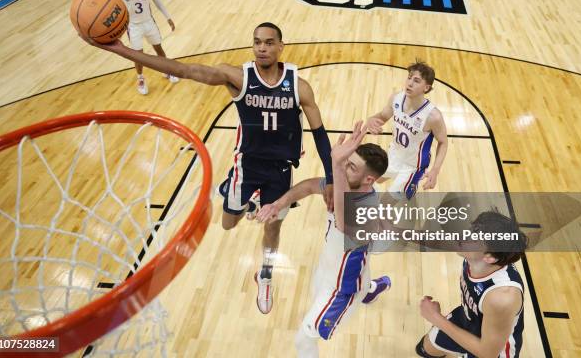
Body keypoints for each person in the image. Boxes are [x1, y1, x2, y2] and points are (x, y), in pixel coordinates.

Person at [80, 22, 335, 314]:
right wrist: (122, 50)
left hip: (280, 170)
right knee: (228, 224)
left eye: (268, 42)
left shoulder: (299, 86)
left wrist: (329, 176)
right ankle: (233, 192)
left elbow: (320, 134)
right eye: (257, 42)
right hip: (247, 166)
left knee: (273, 227)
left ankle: (264, 273)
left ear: (280, 47)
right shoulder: (236, 77)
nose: (262, 47)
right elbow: (184, 70)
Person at [258, 121, 392, 357]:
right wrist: (278, 204)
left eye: (351, 167)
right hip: (330, 266)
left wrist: (337, 164)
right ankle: (373, 288)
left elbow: (342, 215)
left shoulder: (365, 210)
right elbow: (310, 186)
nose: (344, 169)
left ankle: (365, 291)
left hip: (344, 288)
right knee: (355, 272)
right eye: (347, 162)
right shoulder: (345, 185)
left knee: (305, 338)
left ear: (369, 180)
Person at [416, 211, 527, 358]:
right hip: (469, 320)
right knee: (424, 349)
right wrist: (393, 231)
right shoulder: (475, 255)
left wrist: (436, 317)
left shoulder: (502, 297)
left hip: (491, 350)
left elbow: (487, 353)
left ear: (490, 257)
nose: (462, 236)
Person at [366, 60, 447, 199]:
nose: (409, 83)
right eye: (409, 77)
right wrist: (370, 120)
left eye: (416, 81)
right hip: (394, 154)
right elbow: (383, 116)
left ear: (426, 88)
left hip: (413, 166)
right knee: (373, 180)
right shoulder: (396, 98)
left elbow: (443, 142)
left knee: (387, 204)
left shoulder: (433, 116)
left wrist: (435, 170)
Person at [111, 0, 178, 95]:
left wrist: (168, 17)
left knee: (159, 48)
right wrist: (116, 27)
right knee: (138, 56)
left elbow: (157, 1)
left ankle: (167, 70)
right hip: (133, 26)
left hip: (149, 22)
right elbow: (113, 8)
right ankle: (140, 79)